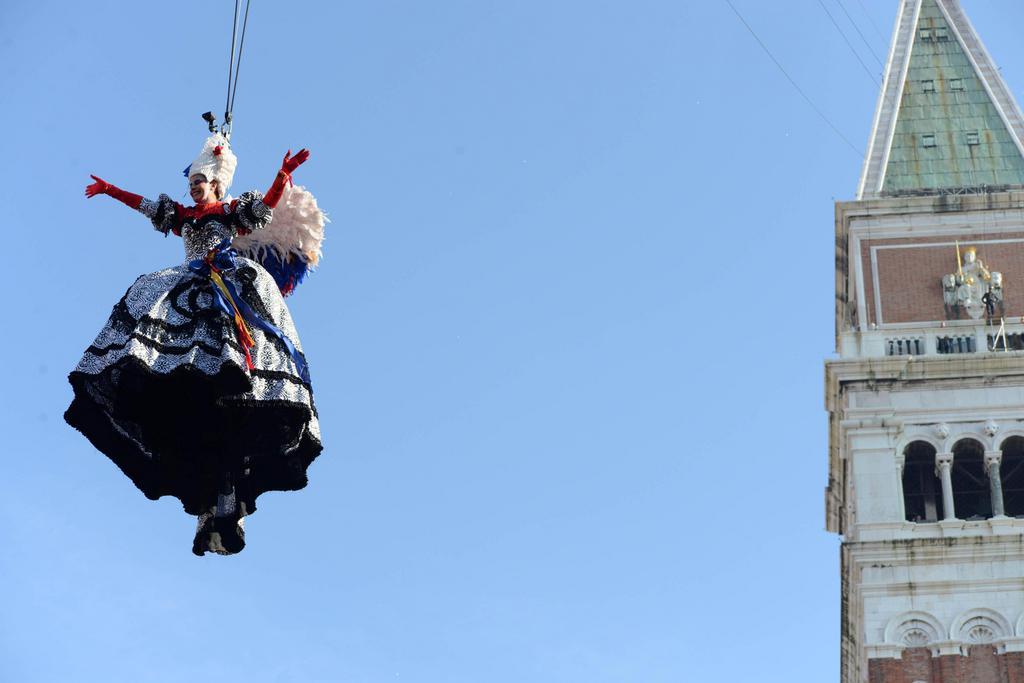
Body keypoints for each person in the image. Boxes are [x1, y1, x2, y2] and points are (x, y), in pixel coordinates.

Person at [65, 132, 324, 556]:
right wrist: (110, 190)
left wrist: (282, 175)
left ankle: (234, 384)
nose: (193, 187)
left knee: (231, 327)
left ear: (216, 184)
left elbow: (266, 207)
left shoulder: (230, 212)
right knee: (155, 300)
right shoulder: (182, 216)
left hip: (225, 284)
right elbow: (145, 204)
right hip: (192, 286)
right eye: (191, 183)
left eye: (200, 182)